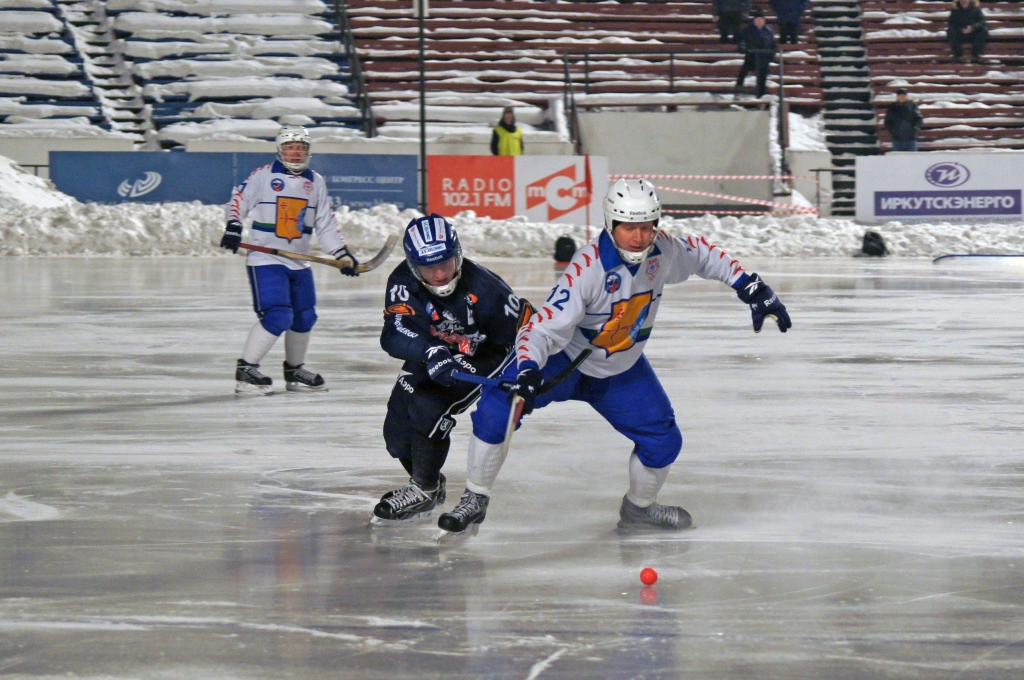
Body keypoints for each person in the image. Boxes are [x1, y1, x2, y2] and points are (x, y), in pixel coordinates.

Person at [436, 179, 792, 534]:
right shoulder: (587, 269)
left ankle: (639, 510)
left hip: (620, 369)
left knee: (663, 440)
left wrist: (752, 287)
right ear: (610, 224)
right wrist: (528, 369)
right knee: (498, 405)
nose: (639, 238)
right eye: (629, 228)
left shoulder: (663, 250)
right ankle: (475, 497)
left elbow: (702, 255)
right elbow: (541, 329)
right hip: (565, 362)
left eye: (647, 227)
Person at [373, 214, 523, 523]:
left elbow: (521, 336)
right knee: (396, 435)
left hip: (483, 356)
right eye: (429, 267)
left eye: (445, 263)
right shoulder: (402, 281)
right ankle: (430, 484)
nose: (440, 274)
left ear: (458, 254)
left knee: (428, 405)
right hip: (433, 351)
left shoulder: (488, 289)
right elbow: (393, 332)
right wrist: (430, 351)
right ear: (413, 266)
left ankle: (424, 488)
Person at [219, 125, 359, 395]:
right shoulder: (263, 175)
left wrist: (340, 253)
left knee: (305, 316)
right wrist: (234, 225)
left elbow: (325, 222)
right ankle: (246, 370)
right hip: (266, 258)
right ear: (280, 150)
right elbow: (237, 200)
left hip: (299, 261)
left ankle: (294, 371)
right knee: (278, 314)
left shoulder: (315, 182)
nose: (296, 153)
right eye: (290, 147)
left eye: (301, 148)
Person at [735, 10, 777, 99]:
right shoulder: (748, 30)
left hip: (764, 58)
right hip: (751, 57)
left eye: (761, 20)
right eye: (757, 20)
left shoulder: (768, 31)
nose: (759, 21)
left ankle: (761, 96)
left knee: (762, 78)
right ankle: (738, 92)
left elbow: (773, 44)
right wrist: (744, 48)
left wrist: (771, 56)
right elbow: (742, 41)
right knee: (742, 74)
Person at [884, 88, 923, 152]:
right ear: (897, 97)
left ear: (906, 96)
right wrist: (893, 132)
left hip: (911, 138)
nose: (902, 97)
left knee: (913, 156)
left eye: (903, 96)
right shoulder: (892, 107)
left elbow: (919, 119)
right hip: (897, 138)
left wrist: (915, 128)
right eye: (900, 96)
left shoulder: (912, 105)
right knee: (898, 157)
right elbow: (888, 121)